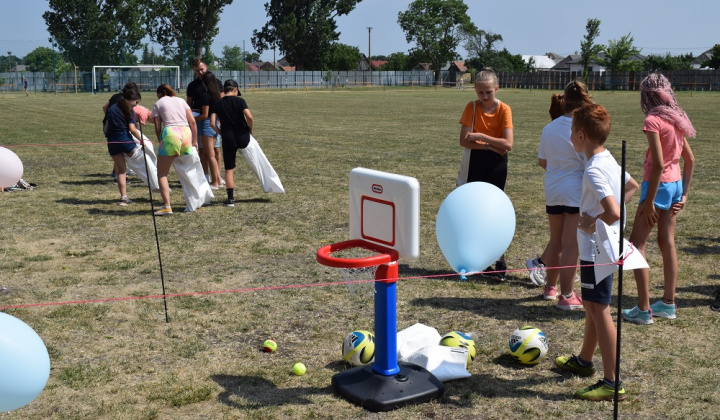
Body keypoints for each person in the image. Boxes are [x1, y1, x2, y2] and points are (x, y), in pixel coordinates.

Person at [555, 103, 639, 401]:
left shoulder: (592, 170)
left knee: (600, 310)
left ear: (580, 136)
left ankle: (613, 381)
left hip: (595, 250)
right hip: (603, 248)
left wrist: (594, 220)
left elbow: (614, 211)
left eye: (570, 132)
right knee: (592, 305)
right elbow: (631, 186)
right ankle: (584, 360)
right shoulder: (606, 158)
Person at [622, 73, 696, 325]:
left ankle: (643, 309)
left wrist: (648, 201)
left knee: (635, 245)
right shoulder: (676, 118)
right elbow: (690, 160)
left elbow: (658, 164)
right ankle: (668, 303)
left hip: (659, 186)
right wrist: (684, 194)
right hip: (675, 185)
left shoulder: (653, 119)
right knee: (667, 242)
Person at [526, 81, 592, 310]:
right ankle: (567, 295)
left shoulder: (550, 127)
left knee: (556, 242)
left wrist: (559, 170)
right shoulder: (582, 128)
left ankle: (550, 288)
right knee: (571, 246)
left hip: (553, 189)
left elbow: (542, 161)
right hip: (574, 191)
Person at [458, 67, 513, 279]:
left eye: (488, 92)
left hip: (497, 165)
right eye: (480, 92)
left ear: (497, 89)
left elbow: (508, 144)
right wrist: (490, 146)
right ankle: (477, 261)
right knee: (474, 213)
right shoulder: (471, 107)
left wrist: (480, 136)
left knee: (495, 212)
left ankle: (500, 260)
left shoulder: (504, 110)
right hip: (475, 162)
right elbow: (463, 141)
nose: (485, 97)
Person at [152, 84, 198, 215]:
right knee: (188, 171)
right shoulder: (181, 101)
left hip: (171, 134)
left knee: (162, 174)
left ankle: (167, 206)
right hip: (186, 133)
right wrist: (194, 140)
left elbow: (157, 127)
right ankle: (194, 201)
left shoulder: (158, 103)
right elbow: (193, 122)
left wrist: (161, 140)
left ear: (160, 94)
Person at [210, 79, 254, 207]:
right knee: (256, 158)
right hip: (243, 136)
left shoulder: (218, 104)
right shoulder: (240, 101)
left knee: (229, 169)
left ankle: (230, 199)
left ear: (223, 90)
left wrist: (220, 132)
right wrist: (250, 129)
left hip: (228, 137)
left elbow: (212, 123)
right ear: (235, 90)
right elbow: (249, 117)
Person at [104, 88, 143, 206]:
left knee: (121, 170)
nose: (136, 105)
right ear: (131, 100)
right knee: (143, 162)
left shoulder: (111, 109)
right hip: (125, 141)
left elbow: (106, 129)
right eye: (136, 102)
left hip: (112, 143)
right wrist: (142, 140)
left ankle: (123, 198)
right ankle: (156, 184)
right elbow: (132, 129)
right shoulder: (129, 110)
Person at [194, 71, 223, 188]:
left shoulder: (206, 96)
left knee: (210, 155)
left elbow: (204, 115)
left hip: (206, 125)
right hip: (215, 124)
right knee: (213, 155)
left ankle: (215, 182)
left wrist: (191, 118)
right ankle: (219, 180)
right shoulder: (217, 95)